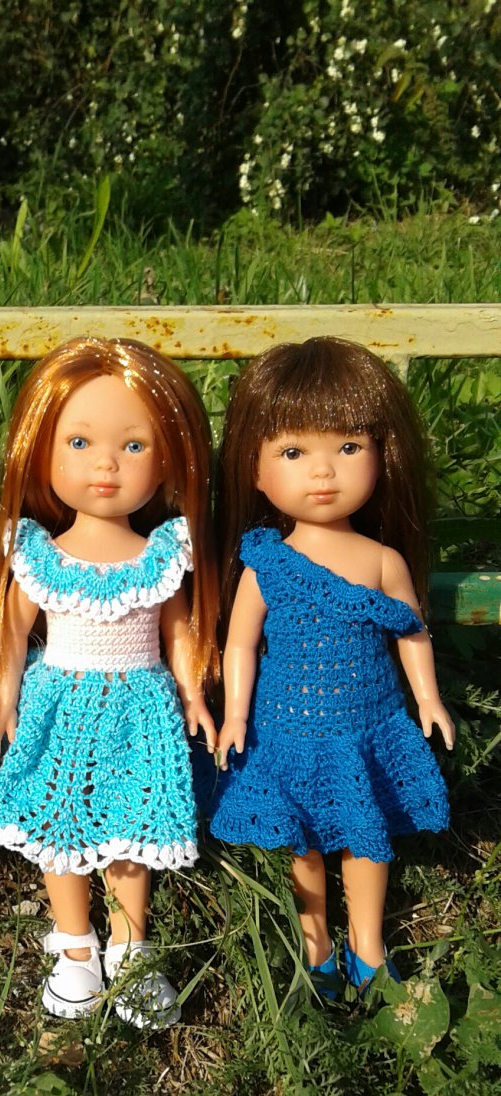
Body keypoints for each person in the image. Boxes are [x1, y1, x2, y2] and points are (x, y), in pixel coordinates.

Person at [0, 337, 218, 1026]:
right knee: (59, 819)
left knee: (133, 826)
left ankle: (131, 945)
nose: (105, 464)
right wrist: (4, 696)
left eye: (133, 446)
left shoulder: (161, 555)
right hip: (60, 703)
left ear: (168, 459)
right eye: (78, 442)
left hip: (141, 707)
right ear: (41, 452)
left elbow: (177, 630)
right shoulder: (41, 554)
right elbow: (11, 631)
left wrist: (193, 691)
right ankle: (75, 944)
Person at [210, 336, 454, 996]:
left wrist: (427, 698)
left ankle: (367, 944)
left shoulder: (381, 560)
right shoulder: (268, 565)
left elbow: (412, 630)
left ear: (381, 455)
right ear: (256, 471)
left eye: (348, 447)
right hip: (289, 731)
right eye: (293, 453)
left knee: (368, 838)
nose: (323, 472)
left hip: (367, 727)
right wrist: (235, 716)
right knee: (305, 841)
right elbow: (240, 645)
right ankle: (316, 942)